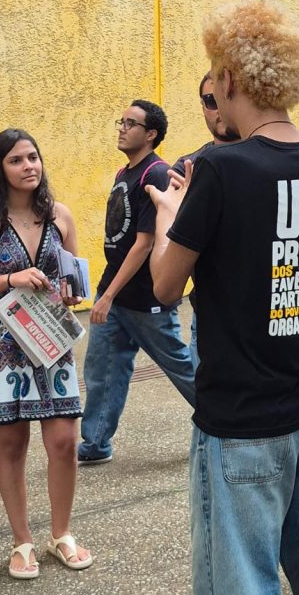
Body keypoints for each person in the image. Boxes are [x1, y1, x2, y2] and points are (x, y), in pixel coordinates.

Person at [146, 0, 299, 595]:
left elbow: (163, 287)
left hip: (242, 427)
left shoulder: (219, 169)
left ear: (232, 80)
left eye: (214, 77)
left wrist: (171, 214)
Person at [0, 128, 92, 578]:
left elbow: (73, 277)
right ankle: (22, 542)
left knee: (65, 442)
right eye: (16, 160)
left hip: (51, 339)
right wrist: (10, 280)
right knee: (12, 443)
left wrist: (72, 294)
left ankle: (62, 534)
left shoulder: (61, 216)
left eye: (33, 156)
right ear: (0, 168)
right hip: (3, 342)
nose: (29, 166)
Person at [77, 100, 195, 465]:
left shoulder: (155, 175)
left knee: (181, 367)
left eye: (131, 123)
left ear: (151, 134)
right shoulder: (123, 174)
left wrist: (108, 296)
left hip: (146, 300)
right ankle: (95, 444)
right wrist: (107, 291)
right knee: (102, 370)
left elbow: (145, 244)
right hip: (114, 293)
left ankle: (230, 421)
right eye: (121, 121)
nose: (122, 128)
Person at [172, 73, 241, 368]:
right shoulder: (188, 167)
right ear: (202, 106)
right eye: (210, 101)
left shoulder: (272, 159)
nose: (219, 109)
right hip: (210, 314)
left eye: (225, 99)